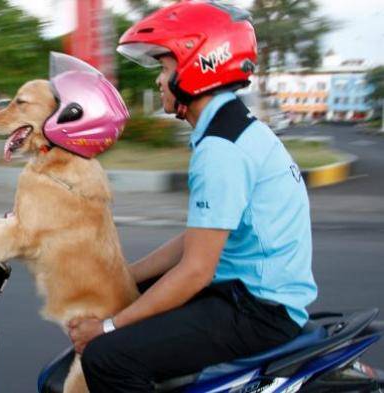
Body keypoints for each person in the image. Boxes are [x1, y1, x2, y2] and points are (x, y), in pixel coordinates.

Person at [67, 1, 318, 392]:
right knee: (123, 296)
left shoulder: (221, 150)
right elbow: (203, 235)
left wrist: (106, 328)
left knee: (107, 357)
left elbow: (196, 270)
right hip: (250, 292)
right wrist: (126, 277)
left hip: (258, 311)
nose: (158, 81)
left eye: (165, 69)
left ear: (198, 69)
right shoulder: (233, 129)